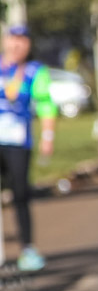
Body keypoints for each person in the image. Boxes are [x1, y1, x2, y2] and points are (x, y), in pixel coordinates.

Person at [0, 25, 57, 271]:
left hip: (18, 142)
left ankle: (28, 249)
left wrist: (47, 136)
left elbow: (45, 105)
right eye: (13, 40)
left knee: (20, 193)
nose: (16, 45)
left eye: (22, 41)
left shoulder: (35, 71)